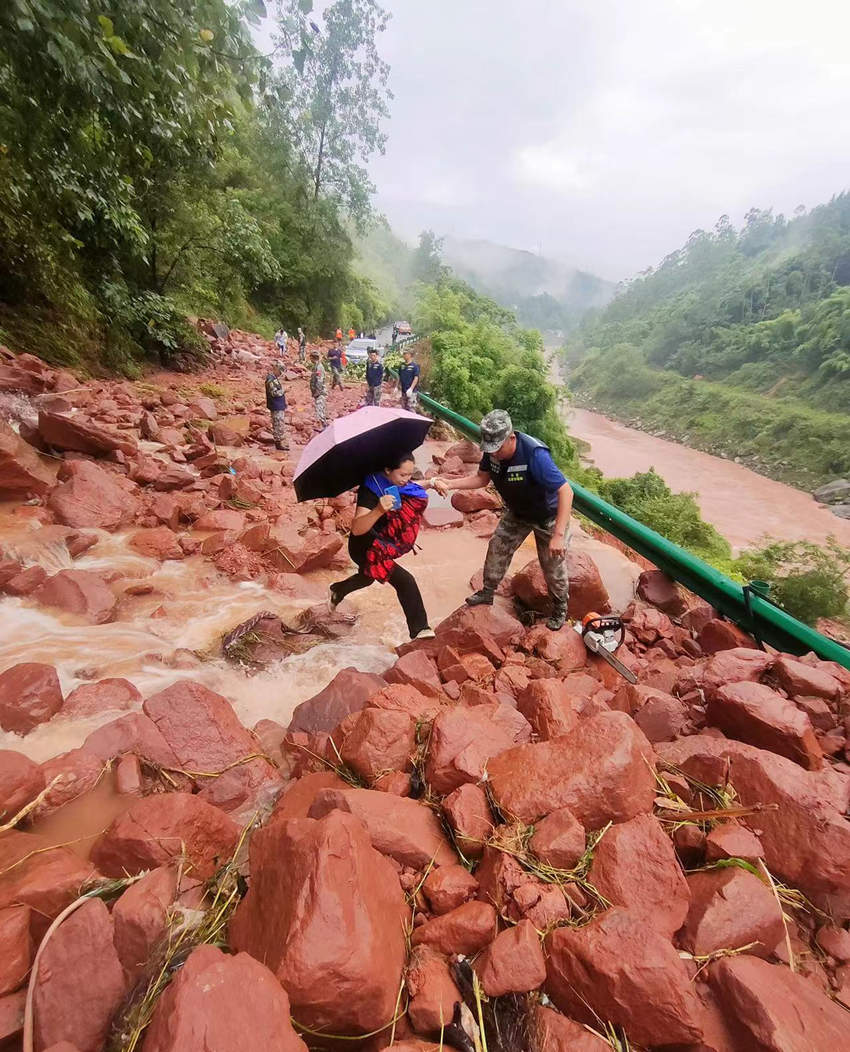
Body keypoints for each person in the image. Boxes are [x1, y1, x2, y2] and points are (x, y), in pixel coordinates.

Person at [433, 409, 573, 630]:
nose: (494, 453)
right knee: (497, 545)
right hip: (518, 512)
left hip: (548, 516)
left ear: (511, 438)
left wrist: (558, 535)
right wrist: (449, 484)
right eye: (490, 449)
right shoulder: (492, 452)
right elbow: (481, 479)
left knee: (552, 564)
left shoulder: (535, 455)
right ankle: (487, 592)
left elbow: (566, 491)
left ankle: (560, 608)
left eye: (497, 448)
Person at [329, 451, 435, 640]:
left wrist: (433, 483)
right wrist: (378, 509)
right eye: (403, 475)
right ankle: (420, 631)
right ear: (387, 470)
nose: (407, 480)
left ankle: (337, 590)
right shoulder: (370, 489)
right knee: (406, 581)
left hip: (381, 543)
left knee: (367, 578)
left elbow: (412, 486)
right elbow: (357, 528)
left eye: (410, 474)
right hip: (364, 547)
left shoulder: (395, 484)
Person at [264, 360, 289, 451]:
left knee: (279, 423)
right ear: (276, 369)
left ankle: (279, 442)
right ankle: (278, 443)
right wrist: (284, 390)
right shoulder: (271, 379)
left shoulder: (274, 378)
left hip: (278, 405)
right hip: (275, 405)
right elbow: (274, 393)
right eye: (280, 371)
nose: (280, 373)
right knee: (278, 424)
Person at [309, 349, 327, 428]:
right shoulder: (316, 366)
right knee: (320, 409)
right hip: (318, 392)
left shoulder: (319, 367)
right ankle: (323, 427)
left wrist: (317, 392)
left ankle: (323, 427)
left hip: (320, 392)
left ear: (313, 358)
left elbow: (319, 381)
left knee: (319, 410)